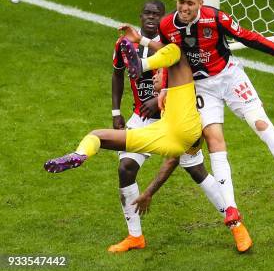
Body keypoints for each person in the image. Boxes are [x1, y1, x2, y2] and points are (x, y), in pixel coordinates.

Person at [44, 27, 253, 252]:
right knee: (97, 135)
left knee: (198, 171)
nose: (154, 77)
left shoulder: (181, 81)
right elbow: (171, 154)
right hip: (164, 134)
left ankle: (237, 226)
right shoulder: (164, 98)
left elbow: (173, 53)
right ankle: (80, 155)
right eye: (152, 73)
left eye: (157, 72)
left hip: (187, 133)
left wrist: (141, 44)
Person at [148, 0, 274, 220]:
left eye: (190, 3)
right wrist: (165, 86)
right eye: (181, 3)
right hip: (201, 86)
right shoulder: (166, 25)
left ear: (200, 3)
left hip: (229, 76)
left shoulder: (215, 18)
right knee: (214, 140)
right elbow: (168, 55)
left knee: (259, 123)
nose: (184, 8)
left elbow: (247, 36)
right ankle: (231, 208)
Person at [108, 1, 249, 253]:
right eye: (147, 13)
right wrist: (116, 111)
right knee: (125, 168)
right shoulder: (124, 44)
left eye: (157, 15)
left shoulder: (173, 48)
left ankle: (237, 225)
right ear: (140, 16)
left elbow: (188, 81)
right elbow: (117, 73)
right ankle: (135, 237)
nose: (152, 18)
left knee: (197, 172)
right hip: (141, 118)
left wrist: (160, 97)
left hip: (176, 117)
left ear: (164, 20)